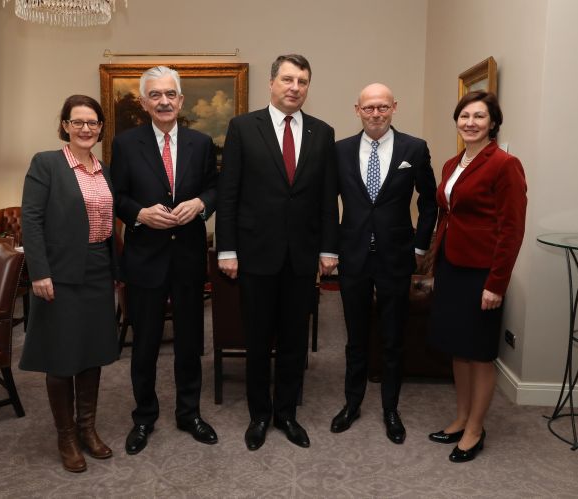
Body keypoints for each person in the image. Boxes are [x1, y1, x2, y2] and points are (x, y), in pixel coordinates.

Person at [216, 54, 339, 451]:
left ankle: (286, 414)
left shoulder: (323, 132)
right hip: (255, 254)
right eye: (287, 79)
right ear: (271, 83)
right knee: (257, 339)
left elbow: (327, 198)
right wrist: (226, 249)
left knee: (293, 340)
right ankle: (259, 415)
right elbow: (229, 193)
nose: (294, 87)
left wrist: (329, 248)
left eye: (302, 81)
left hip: (302, 257)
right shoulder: (242, 127)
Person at [111, 66, 219, 456]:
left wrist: (201, 203)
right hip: (145, 259)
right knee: (145, 345)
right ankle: (144, 416)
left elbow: (215, 186)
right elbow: (116, 195)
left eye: (170, 94)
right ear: (144, 103)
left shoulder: (201, 143)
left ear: (181, 100)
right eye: (155, 95)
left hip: (188, 257)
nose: (164, 101)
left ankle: (189, 413)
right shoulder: (126, 144)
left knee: (190, 343)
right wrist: (139, 214)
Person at [331, 83, 437, 443]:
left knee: (393, 337)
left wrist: (420, 246)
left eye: (382, 107)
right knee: (355, 337)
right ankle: (352, 403)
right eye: (368, 108)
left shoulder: (414, 148)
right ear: (357, 110)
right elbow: (327, 202)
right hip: (353, 255)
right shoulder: (340, 150)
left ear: (394, 107)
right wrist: (329, 248)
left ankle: (391, 409)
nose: (375, 114)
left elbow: (429, 201)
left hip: (396, 257)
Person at [20, 94, 120, 473]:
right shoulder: (47, 163)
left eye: (92, 122)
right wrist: (39, 272)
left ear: (100, 127)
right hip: (60, 274)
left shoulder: (103, 169)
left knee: (92, 352)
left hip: (98, 270)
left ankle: (87, 429)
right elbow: (31, 219)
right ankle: (66, 436)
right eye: (77, 122)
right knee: (62, 357)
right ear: (65, 125)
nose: (85, 129)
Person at [428, 91, 526, 462]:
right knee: (459, 348)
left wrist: (496, 284)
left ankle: (475, 429)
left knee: (480, 353)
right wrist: (435, 264)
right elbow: (447, 214)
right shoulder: (452, 164)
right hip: (452, 267)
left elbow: (511, 229)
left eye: (479, 116)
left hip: (482, 273)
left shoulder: (504, 164)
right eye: (464, 115)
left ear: (493, 123)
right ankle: (461, 418)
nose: (470, 122)